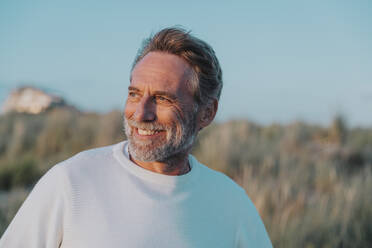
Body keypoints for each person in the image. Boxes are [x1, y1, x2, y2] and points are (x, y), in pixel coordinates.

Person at [0, 27, 272, 247]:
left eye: (163, 99)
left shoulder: (231, 203)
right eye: (134, 94)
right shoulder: (71, 183)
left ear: (207, 113)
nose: (141, 113)